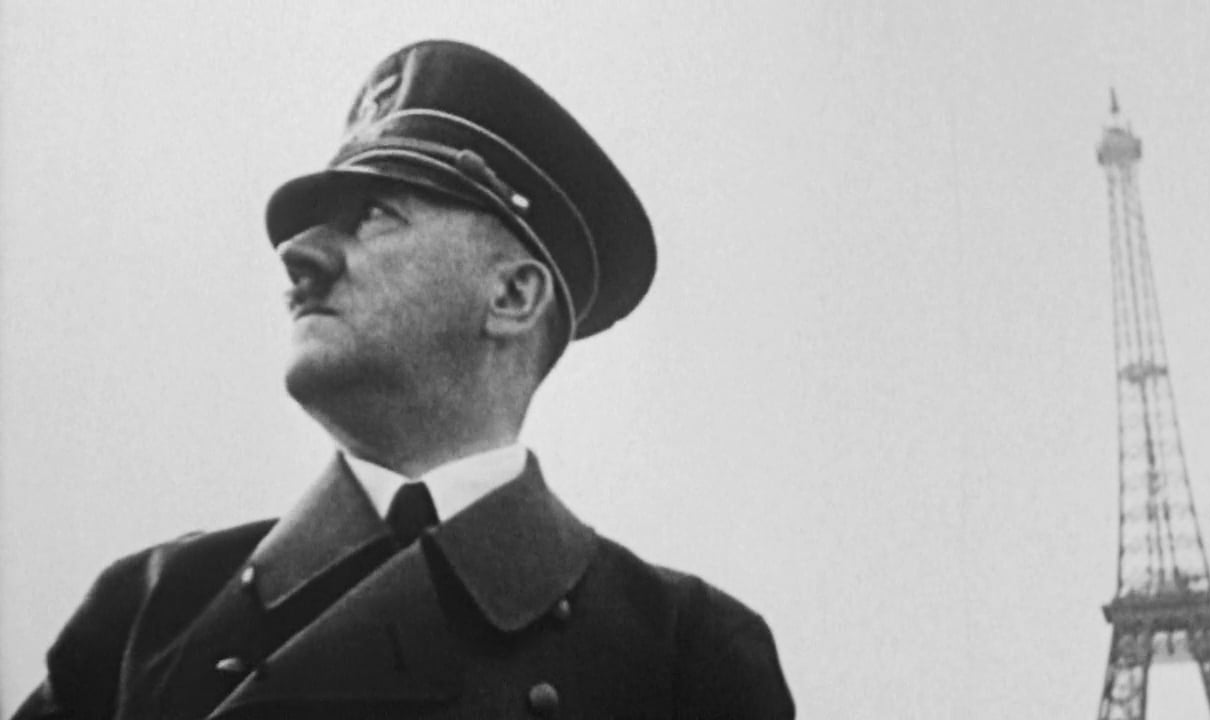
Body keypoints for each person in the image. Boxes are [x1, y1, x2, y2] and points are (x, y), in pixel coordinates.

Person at [13, 40, 794, 720]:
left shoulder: (684, 656)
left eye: (374, 216)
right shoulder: (148, 609)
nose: (299, 255)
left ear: (512, 295)